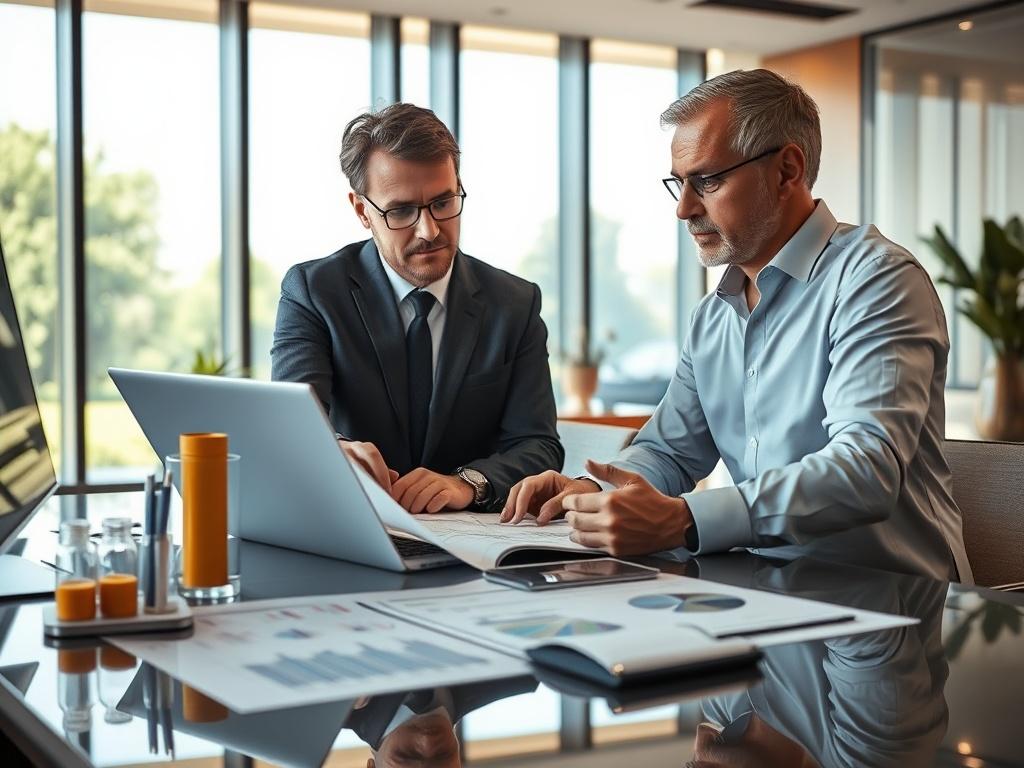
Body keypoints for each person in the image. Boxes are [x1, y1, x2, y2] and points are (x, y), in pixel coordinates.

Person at [501, 69, 971, 582]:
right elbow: (668, 451)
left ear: (787, 170)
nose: (684, 209)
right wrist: (595, 492)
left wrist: (686, 519)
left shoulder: (876, 280)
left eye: (707, 181)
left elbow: (864, 470)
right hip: (763, 589)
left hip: (896, 599)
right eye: (678, 183)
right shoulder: (712, 316)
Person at [272, 103, 562, 514]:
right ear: (362, 211)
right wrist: (334, 451)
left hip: (470, 534)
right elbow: (291, 425)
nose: (429, 230)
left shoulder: (515, 303)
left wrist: (468, 483)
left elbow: (538, 444)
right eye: (402, 211)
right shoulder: (314, 292)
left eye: (443, 203)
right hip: (354, 521)